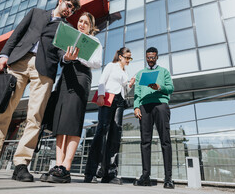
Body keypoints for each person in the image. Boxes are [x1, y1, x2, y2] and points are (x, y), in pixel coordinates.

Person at [0, 0, 81, 182]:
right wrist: (4, 54)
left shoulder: (67, 28)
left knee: (35, 117)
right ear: (60, 1)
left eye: (73, 9)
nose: (70, 11)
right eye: (69, 6)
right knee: (3, 112)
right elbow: (17, 33)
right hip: (19, 63)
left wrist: (66, 58)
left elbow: (62, 51)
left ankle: (21, 164)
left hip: (44, 70)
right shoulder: (36, 13)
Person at [40, 12, 102, 183]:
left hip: (81, 78)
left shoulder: (95, 41)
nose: (81, 24)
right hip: (66, 78)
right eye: (80, 21)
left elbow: (97, 63)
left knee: (73, 121)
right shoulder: (69, 37)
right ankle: (58, 165)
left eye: (86, 22)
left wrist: (80, 56)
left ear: (91, 26)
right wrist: (67, 57)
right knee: (60, 122)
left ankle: (66, 168)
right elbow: (61, 57)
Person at [84, 47, 135, 185]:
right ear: (120, 56)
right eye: (127, 57)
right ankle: (91, 173)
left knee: (115, 134)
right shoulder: (111, 66)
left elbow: (125, 88)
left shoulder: (125, 71)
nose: (128, 60)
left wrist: (130, 84)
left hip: (120, 101)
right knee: (102, 131)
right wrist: (100, 95)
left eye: (130, 58)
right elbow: (102, 81)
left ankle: (110, 174)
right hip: (108, 99)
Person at [132, 47, 175, 189]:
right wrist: (136, 106)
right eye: (148, 57)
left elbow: (171, 88)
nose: (150, 60)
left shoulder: (164, 72)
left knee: (165, 140)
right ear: (145, 57)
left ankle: (168, 179)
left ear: (157, 57)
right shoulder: (140, 73)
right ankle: (145, 176)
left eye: (153, 57)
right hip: (145, 107)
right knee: (145, 141)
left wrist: (159, 87)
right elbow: (137, 92)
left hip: (161, 105)